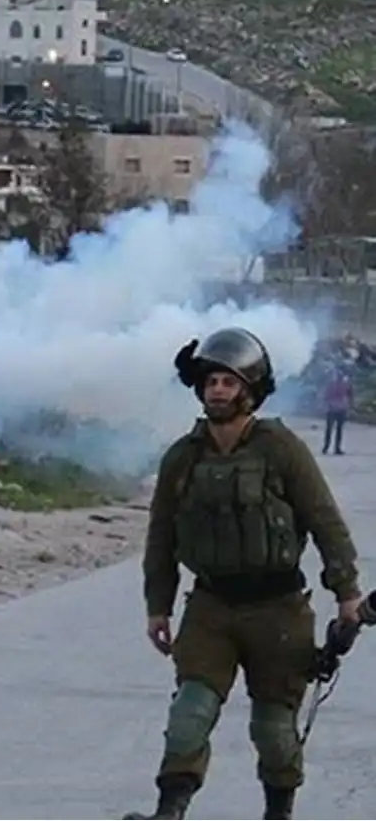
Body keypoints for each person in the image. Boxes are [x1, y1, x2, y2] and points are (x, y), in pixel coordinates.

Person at [127, 327, 362, 821]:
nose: (218, 390)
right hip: (211, 607)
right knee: (189, 715)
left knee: (275, 731)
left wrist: (347, 594)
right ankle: (169, 812)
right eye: (211, 381)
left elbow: (324, 520)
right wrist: (158, 607)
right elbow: (161, 537)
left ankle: (278, 813)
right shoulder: (184, 457)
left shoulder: (280, 449)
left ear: (250, 391)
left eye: (229, 383)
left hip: (278, 609)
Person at [321, 367, 353, 455]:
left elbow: (350, 397)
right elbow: (350, 397)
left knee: (332, 430)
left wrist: (349, 407)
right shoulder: (342, 385)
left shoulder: (336, 385)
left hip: (336, 409)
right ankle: (332, 448)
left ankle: (328, 447)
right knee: (335, 430)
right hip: (337, 409)